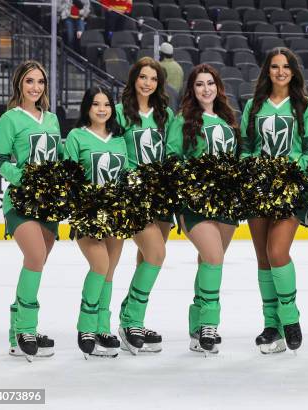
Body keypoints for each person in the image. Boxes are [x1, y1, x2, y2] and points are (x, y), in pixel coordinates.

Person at [240, 47, 308, 354]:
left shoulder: (306, 104)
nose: (280, 71)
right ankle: (270, 325)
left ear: (294, 71)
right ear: (267, 71)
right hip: (258, 187)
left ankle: (290, 318)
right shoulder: (253, 105)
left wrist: (291, 169)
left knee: (277, 251)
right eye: (274, 66)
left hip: (291, 187)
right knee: (263, 258)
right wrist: (253, 166)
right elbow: (246, 147)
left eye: (286, 66)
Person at [166, 64, 240, 354]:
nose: (205, 89)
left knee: (208, 261)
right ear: (192, 89)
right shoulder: (183, 119)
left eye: (210, 83)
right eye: (199, 84)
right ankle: (210, 324)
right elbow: (173, 157)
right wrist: (192, 183)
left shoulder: (228, 120)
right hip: (194, 201)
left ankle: (196, 327)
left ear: (218, 87)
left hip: (226, 201)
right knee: (213, 257)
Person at [0, 60, 61, 360]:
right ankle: (25, 329)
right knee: (34, 256)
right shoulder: (9, 119)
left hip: (48, 204)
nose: (36, 87)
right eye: (30, 81)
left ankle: (15, 331)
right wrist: (26, 177)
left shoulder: (53, 119)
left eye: (41, 82)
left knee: (38, 261)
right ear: (20, 83)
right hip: (21, 200)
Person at [116, 57, 175, 354]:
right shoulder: (118, 113)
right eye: (143, 77)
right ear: (134, 80)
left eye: (153, 78)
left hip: (161, 195)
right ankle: (131, 321)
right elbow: (111, 150)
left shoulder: (166, 115)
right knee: (155, 253)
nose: (147, 83)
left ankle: (131, 319)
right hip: (132, 195)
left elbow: (173, 152)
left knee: (146, 259)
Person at [64, 87, 127, 359]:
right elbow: (68, 175)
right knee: (99, 265)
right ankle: (86, 326)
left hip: (116, 212)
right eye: (96, 104)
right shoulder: (76, 137)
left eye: (107, 104)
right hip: (87, 212)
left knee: (109, 271)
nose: (102, 109)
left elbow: (126, 175)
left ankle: (103, 327)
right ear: (87, 108)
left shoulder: (120, 140)